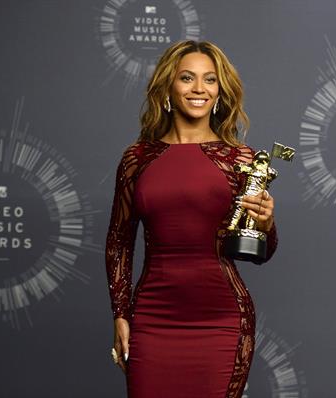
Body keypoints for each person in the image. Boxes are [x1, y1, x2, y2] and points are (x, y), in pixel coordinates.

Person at [105, 40, 278, 398]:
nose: (199, 89)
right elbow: (119, 242)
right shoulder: (137, 158)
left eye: (210, 80)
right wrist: (121, 314)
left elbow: (261, 252)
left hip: (222, 320)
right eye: (187, 78)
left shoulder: (240, 159)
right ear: (168, 86)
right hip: (152, 321)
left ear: (220, 92)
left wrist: (265, 223)